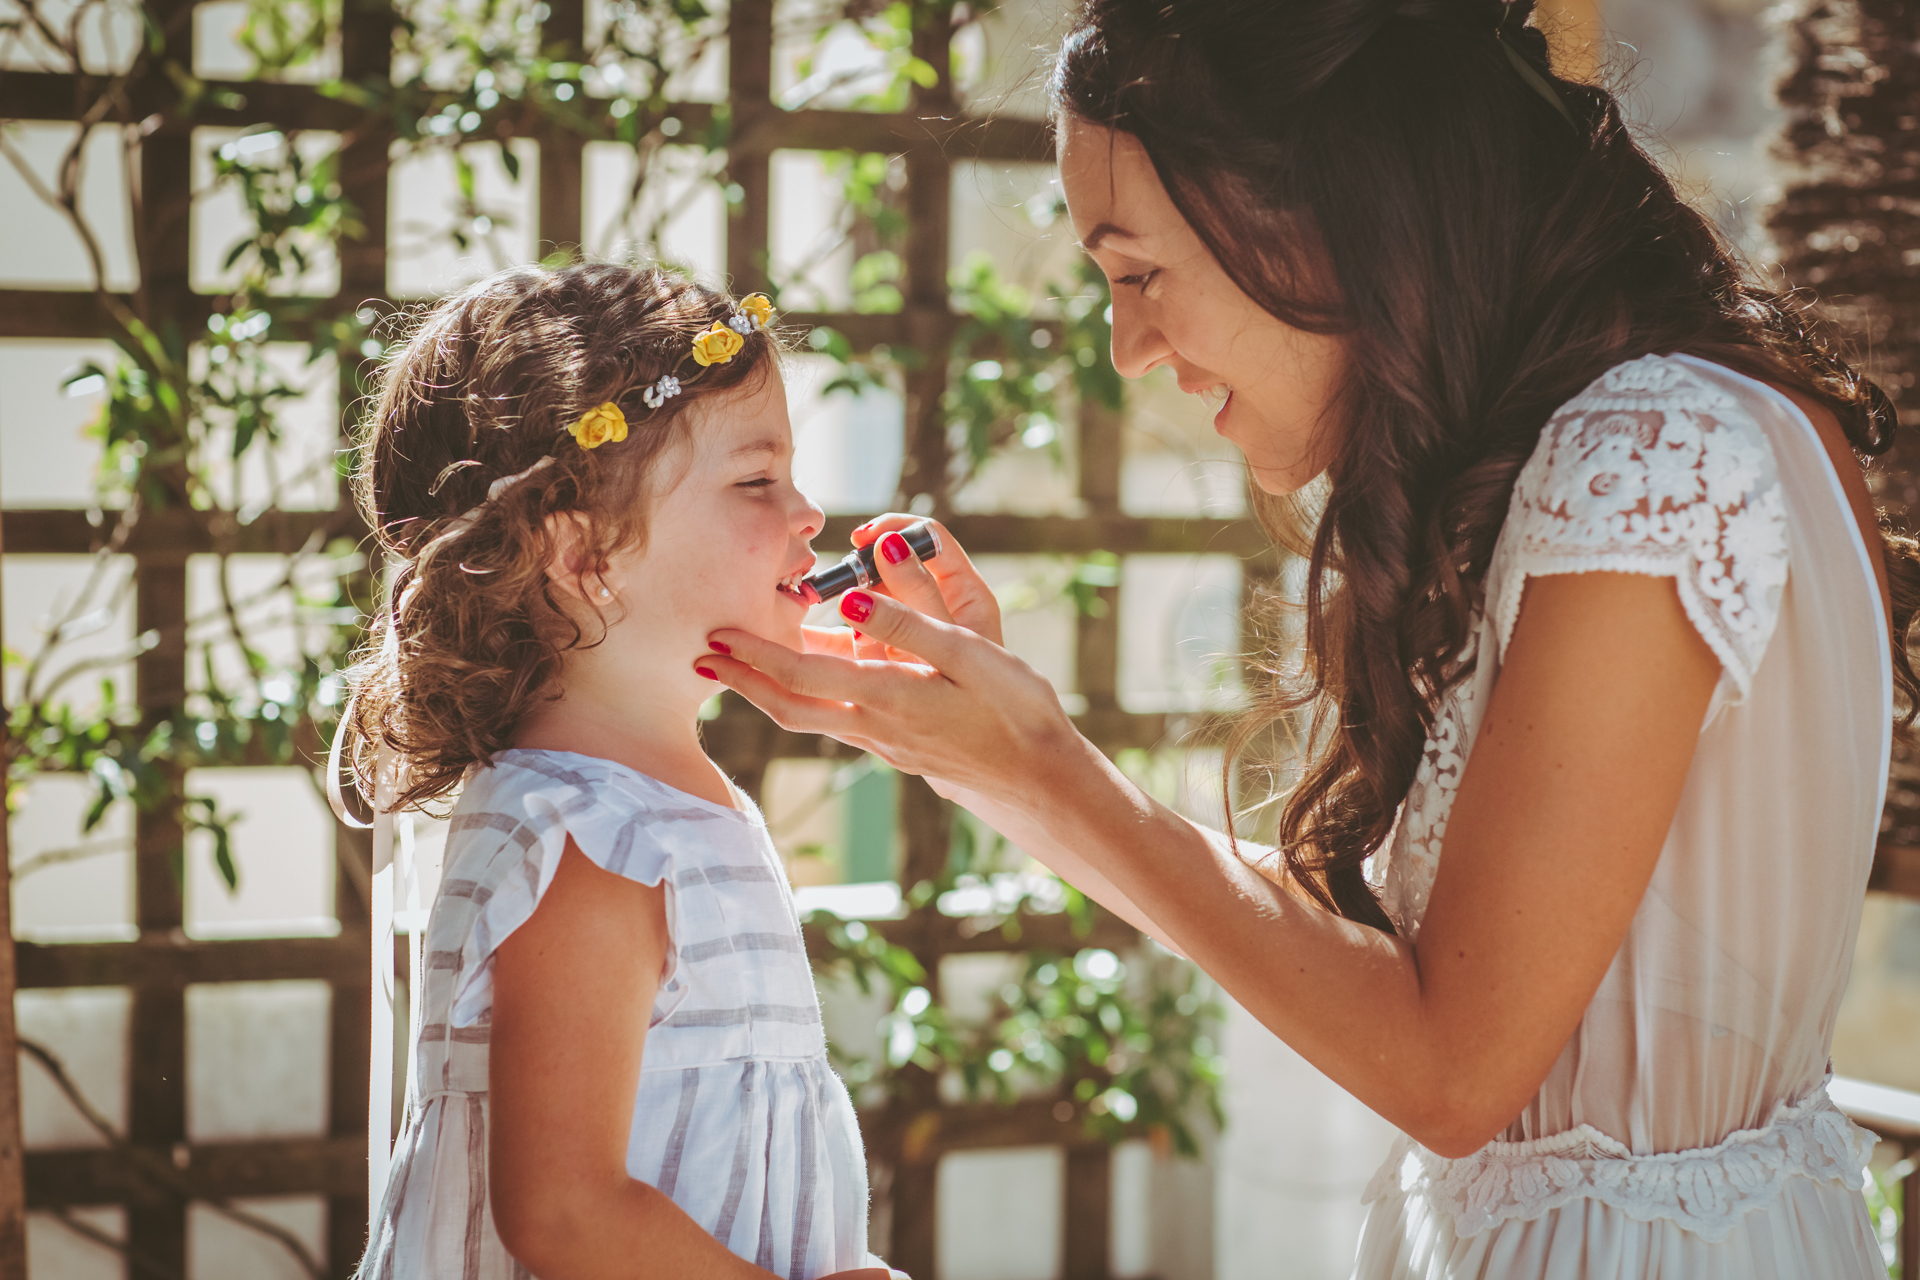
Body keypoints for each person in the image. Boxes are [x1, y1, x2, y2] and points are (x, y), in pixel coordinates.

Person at [697, 0, 1918, 1275]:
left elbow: (1455, 1067)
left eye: (1139, 272)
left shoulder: (1652, 457)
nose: (1129, 349)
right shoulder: (1665, 433)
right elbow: (1420, 976)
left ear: (1338, 208)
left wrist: (1048, 764)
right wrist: (992, 756)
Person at [341, 263, 894, 1280]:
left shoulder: (667, 811)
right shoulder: (591, 836)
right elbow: (563, 1210)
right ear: (585, 552)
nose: (810, 511)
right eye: (756, 480)